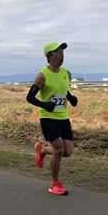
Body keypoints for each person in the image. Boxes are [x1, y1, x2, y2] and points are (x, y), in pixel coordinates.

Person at [26, 42, 79, 196]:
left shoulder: (66, 73)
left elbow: (62, 89)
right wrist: (44, 104)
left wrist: (71, 98)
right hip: (48, 117)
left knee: (67, 151)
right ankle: (55, 183)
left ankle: (42, 149)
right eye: (58, 52)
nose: (61, 55)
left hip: (63, 117)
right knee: (59, 149)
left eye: (62, 52)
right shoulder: (42, 76)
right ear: (49, 56)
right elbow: (30, 97)